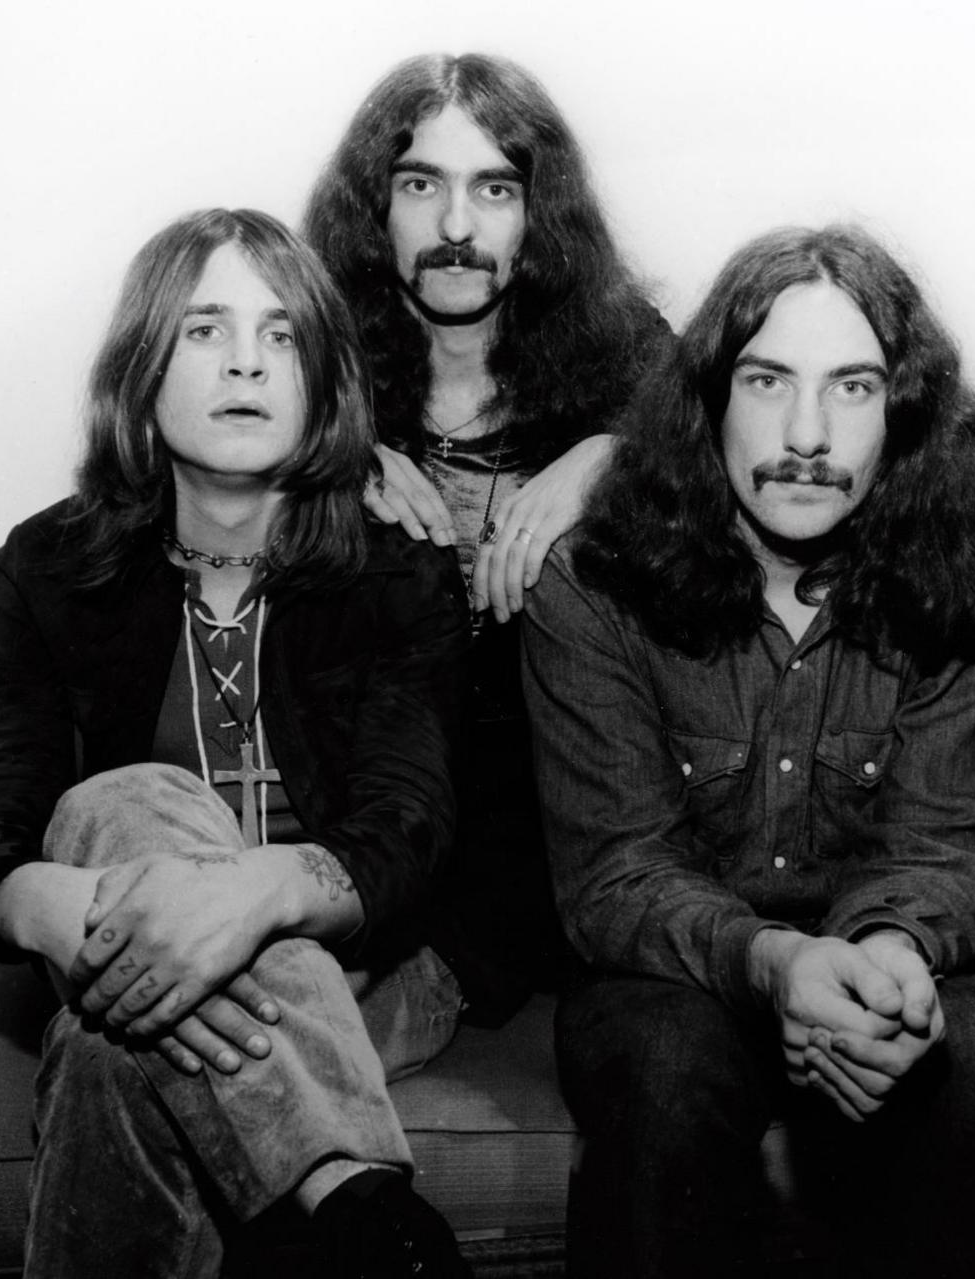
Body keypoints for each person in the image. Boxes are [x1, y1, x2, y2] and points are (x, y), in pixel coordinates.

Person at [522, 225, 975, 1278]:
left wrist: (890, 962)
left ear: (903, 415)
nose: (809, 432)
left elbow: (949, 850)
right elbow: (613, 875)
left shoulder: (962, 578)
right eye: (769, 381)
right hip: (670, 973)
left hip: (876, 952)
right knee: (665, 1069)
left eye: (855, 388)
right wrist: (773, 965)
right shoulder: (593, 588)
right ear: (711, 401)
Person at [0, 208, 473, 1278]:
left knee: (111, 1047)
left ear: (322, 376)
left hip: (365, 961)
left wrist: (254, 897)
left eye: (282, 332)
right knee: (122, 804)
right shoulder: (47, 568)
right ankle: (363, 1218)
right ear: (143, 367)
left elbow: (405, 826)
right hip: (112, 944)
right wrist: (39, 901)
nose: (247, 360)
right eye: (205, 330)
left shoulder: (395, 566)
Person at [303, 53, 670, 1020]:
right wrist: (337, 450)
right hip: (362, 812)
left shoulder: (626, 359)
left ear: (538, 216)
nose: (456, 228)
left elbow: (719, 440)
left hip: (535, 841)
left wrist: (603, 453)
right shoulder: (307, 369)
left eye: (495, 190)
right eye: (421, 185)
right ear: (373, 210)